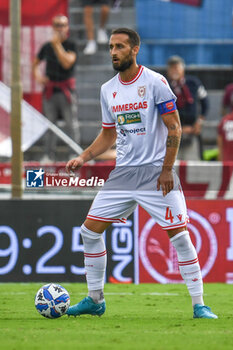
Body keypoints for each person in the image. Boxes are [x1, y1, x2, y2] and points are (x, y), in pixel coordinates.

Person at [66, 28, 217, 319]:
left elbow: (175, 128)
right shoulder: (107, 89)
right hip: (123, 176)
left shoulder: (156, 83)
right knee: (89, 232)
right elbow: (108, 135)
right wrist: (84, 156)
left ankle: (200, 305)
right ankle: (95, 300)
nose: (113, 51)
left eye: (120, 46)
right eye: (111, 46)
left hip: (156, 173)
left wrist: (166, 170)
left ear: (135, 50)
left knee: (180, 238)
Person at [33, 14, 80, 161]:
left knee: (71, 124)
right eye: (57, 25)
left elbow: (67, 63)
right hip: (50, 90)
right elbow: (35, 63)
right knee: (49, 125)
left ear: (67, 27)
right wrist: (38, 77)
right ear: (53, 27)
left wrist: (57, 45)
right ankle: (48, 155)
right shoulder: (46, 47)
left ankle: (74, 154)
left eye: (63, 25)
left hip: (66, 90)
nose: (60, 28)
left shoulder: (71, 44)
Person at [167, 56, 209, 161]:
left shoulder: (193, 83)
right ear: (168, 71)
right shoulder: (164, 85)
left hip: (192, 130)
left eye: (177, 67)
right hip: (171, 133)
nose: (175, 70)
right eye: (172, 68)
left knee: (194, 165)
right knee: (172, 165)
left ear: (183, 69)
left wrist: (199, 122)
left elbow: (205, 102)